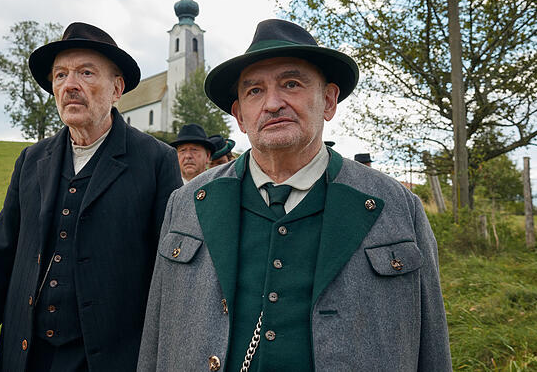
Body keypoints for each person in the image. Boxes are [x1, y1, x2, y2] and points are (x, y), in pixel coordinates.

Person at [138, 19, 451, 371]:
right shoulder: (187, 204)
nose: (272, 103)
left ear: (329, 100)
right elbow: (156, 336)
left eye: (291, 83)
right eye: (254, 91)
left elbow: (432, 346)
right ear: (240, 116)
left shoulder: (395, 206)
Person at [0, 22, 181, 372]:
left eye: (85, 72)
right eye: (60, 75)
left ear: (117, 88)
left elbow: (169, 279)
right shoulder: (32, 161)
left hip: (110, 361)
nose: (70, 86)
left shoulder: (155, 161)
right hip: (26, 359)